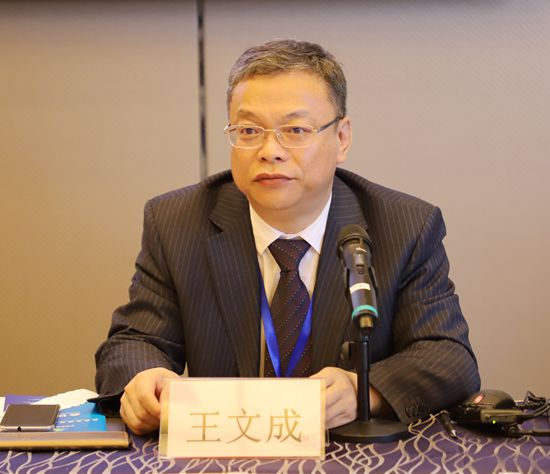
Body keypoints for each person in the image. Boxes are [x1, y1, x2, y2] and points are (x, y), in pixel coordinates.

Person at [95, 39, 480, 435]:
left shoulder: (405, 225)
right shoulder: (178, 222)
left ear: (342, 138)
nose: (270, 150)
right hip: (225, 449)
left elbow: (448, 356)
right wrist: (145, 378)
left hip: (347, 454)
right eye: (249, 130)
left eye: (295, 129)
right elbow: (133, 341)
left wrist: (363, 390)